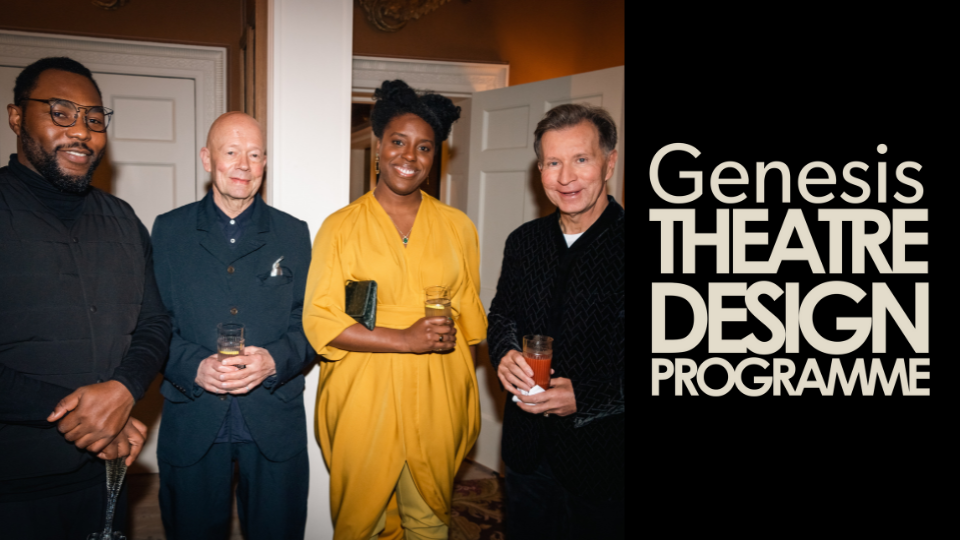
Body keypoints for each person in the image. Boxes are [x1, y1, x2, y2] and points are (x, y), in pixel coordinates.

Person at [303, 79, 486, 540]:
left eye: (424, 147)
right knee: (361, 521)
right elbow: (320, 320)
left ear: (435, 155)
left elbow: (470, 318)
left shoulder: (458, 227)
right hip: (365, 391)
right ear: (378, 146)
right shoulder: (340, 227)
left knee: (429, 517)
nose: (410, 156)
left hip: (438, 389)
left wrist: (446, 336)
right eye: (398, 142)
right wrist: (405, 338)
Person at [0, 57, 170, 537]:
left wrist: (122, 392)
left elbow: (155, 323)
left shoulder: (122, 218)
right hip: (12, 484)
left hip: (102, 478)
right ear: (16, 117)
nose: (82, 132)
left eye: (94, 119)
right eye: (61, 112)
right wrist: (92, 415)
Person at [151, 111, 313, 539]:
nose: (244, 164)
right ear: (207, 159)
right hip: (194, 416)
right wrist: (193, 367)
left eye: (255, 154)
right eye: (231, 152)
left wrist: (275, 360)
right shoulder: (168, 231)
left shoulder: (294, 234)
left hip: (274, 418)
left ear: (265, 164)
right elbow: (152, 322)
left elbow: (311, 321)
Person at [488, 103, 625, 539]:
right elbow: (502, 315)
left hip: (605, 463)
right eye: (552, 162)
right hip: (527, 454)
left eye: (580, 159)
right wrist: (504, 352)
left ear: (609, 163)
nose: (565, 177)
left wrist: (584, 396)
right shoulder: (523, 242)